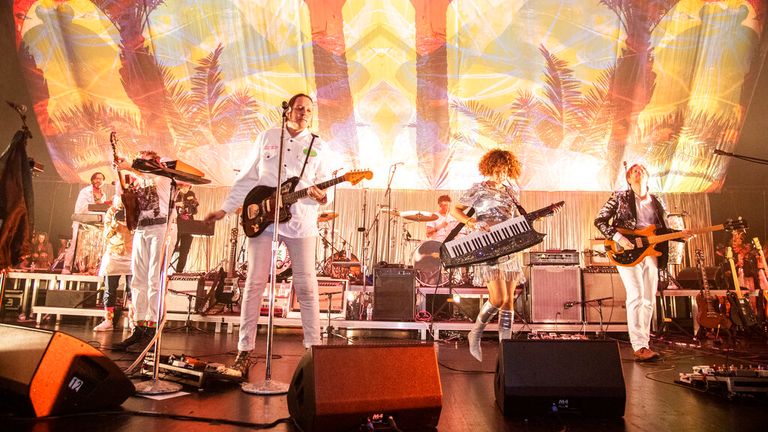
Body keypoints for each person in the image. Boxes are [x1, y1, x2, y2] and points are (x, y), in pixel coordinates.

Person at [205, 93, 333, 376]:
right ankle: (245, 350)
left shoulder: (319, 145)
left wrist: (322, 197)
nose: (304, 113)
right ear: (288, 110)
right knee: (254, 283)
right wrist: (225, 210)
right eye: (300, 108)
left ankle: (314, 349)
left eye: (309, 110)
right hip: (264, 218)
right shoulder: (268, 136)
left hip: (301, 220)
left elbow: (326, 190)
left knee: (307, 286)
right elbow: (247, 177)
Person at [594, 163, 690, 362]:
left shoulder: (657, 201)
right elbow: (600, 220)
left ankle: (644, 343)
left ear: (647, 177)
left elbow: (661, 230)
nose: (638, 173)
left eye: (641, 171)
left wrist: (681, 236)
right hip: (626, 252)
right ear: (629, 179)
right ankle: (639, 345)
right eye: (633, 171)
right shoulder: (619, 197)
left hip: (651, 252)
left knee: (648, 298)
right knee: (636, 295)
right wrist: (619, 239)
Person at [451, 149, 526, 362]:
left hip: (510, 248)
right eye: (497, 170)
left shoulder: (512, 192)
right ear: (490, 168)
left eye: (505, 171)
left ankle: (506, 349)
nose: (501, 174)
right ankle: (475, 332)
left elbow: (515, 218)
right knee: (498, 298)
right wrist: (473, 222)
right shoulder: (479, 189)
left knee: (509, 301)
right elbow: (455, 211)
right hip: (488, 246)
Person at [111, 151, 175, 351]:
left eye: (144, 161)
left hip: (160, 227)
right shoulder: (138, 179)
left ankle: (152, 327)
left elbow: (146, 173)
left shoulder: (163, 176)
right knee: (138, 279)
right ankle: (138, 326)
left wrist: (129, 166)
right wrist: (119, 171)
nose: (140, 164)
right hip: (141, 228)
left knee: (154, 279)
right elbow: (122, 195)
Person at [94, 197, 133, 332]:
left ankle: (133, 321)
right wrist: (115, 223)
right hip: (114, 252)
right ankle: (108, 320)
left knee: (132, 290)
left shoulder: (135, 210)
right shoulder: (111, 212)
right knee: (110, 289)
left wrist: (129, 221)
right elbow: (107, 235)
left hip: (131, 253)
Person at [62, 172, 111, 274]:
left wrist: (104, 205)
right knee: (75, 243)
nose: (99, 181)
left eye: (101, 179)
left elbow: (101, 209)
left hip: (95, 224)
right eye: (97, 178)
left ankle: (90, 268)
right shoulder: (85, 191)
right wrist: (96, 205)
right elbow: (81, 207)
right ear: (92, 180)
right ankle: (67, 266)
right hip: (81, 221)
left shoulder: (103, 194)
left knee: (93, 246)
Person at [172, 183, 199, 272]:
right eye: (185, 185)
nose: (187, 188)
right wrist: (177, 205)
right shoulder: (175, 193)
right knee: (172, 247)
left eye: (188, 186)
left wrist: (192, 205)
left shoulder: (191, 193)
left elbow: (195, 211)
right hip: (177, 224)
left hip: (188, 225)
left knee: (185, 250)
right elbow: (170, 206)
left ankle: (179, 271)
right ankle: (164, 270)